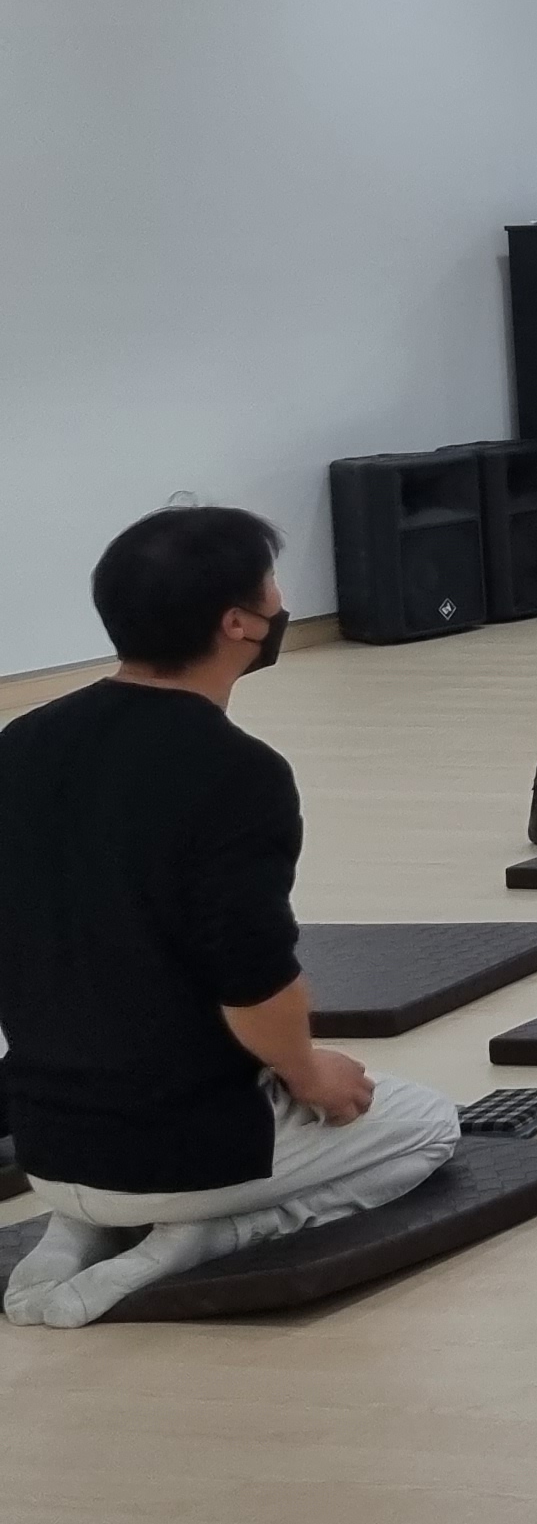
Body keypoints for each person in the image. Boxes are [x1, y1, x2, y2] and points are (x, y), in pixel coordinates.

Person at [0, 507, 459, 1329]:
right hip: (194, 1153)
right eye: (272, 589)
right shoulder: (238, 772)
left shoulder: (18, 744)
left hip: (46, 1140)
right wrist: (309, 1073)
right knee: (428, 1123)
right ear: (238, 623)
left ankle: (79, 1224)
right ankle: (215, 1234)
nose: (282, 604)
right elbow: (251, 978)